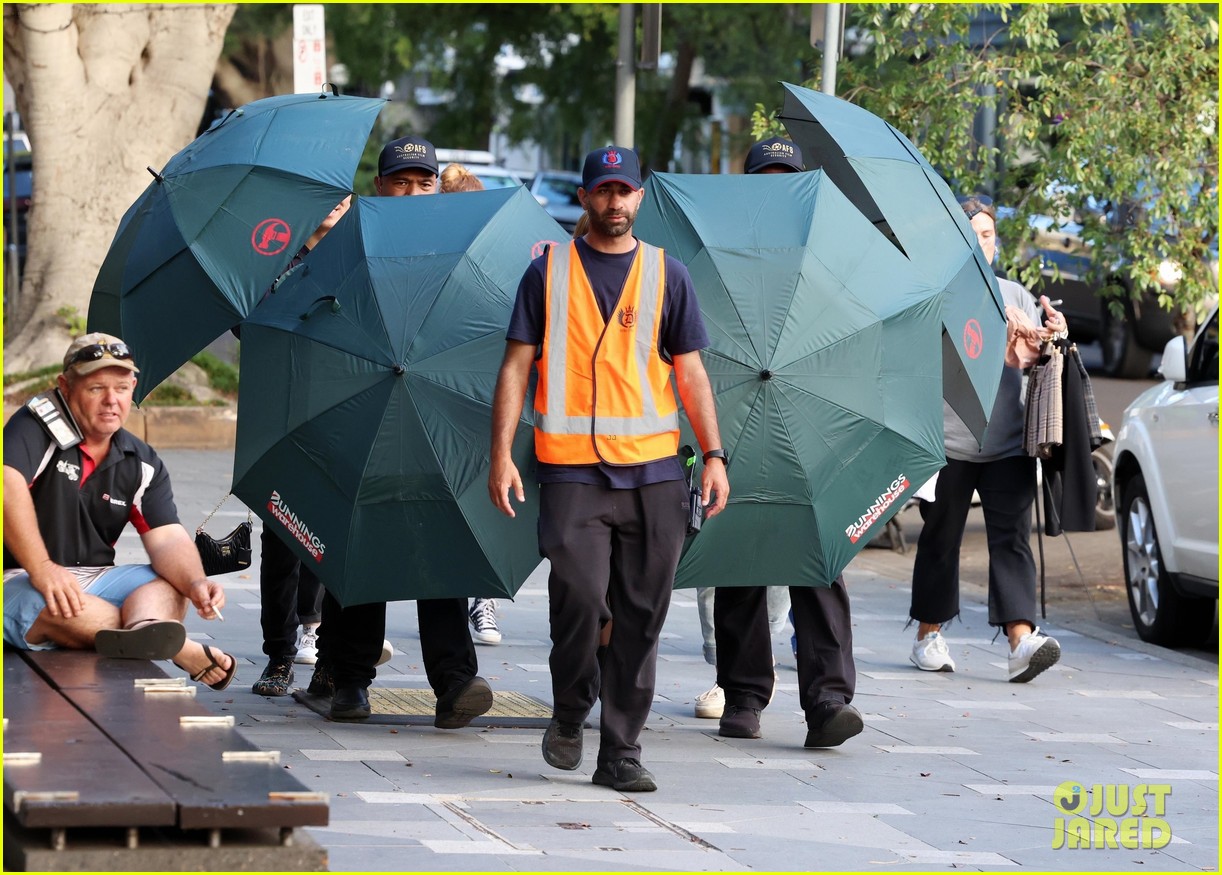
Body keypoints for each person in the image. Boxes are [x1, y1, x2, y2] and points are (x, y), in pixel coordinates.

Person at [489, 145, 730, 793]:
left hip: (653, 475)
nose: (614, 202)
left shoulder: (667, 275)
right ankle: (572, 705)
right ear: (586, 197)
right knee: (578, 600)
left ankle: (620, 748)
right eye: (603, 191)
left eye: (625, 191)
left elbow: (692, 373)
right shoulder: (547, 274)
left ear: (639, 197)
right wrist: (500, 455)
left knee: (641, 614)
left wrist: (714, 454)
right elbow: (515, 366)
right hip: (571, 472)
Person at [307, 135, 494, 728]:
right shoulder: (350, 243)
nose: (412, 194)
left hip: (440, 415)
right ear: (379, 188)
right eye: (400, 183)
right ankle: (350, 679)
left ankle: (455, 683)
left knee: (442, 544)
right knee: (361, 538)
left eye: (423, 182)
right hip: (364, 408)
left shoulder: (465, 248)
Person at [695, 137, 863, 748]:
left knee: (820, 552)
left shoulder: (829, 255)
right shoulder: (720, 252)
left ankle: (828, 699)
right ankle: (743, 694)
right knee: (739, 546)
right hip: (736, 412)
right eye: (764, 178)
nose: (776, 188)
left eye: (785, 178)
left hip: (810, 420)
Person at [3, 333, 235, 689]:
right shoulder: (36, 424)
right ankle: (171, 645)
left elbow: (168, 539)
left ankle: (141, 631)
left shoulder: (140, 460)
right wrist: (43, 568)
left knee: (173, 588)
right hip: (19, 578)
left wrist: (195, 582)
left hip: (91, 582)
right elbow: (7, 485)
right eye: (96, 388)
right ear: (65, 386)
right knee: (44, 601)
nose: (111, 400)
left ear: (134, 389)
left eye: (122, 388)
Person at [908, 193, 1066, 683]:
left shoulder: (1015, 294)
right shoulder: (935, 295)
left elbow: (1035, 356)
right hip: (949, 444)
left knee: (1012, 539)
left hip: (1006, 443)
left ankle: (1022, 641)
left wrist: (1051, 335)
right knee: (941, 540)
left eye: (988, 235)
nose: (982, 244)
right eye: (972, 235)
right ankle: (928, 635)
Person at [252, 196, 376, 696]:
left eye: (345, 195)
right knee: (281, 541)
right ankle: (278, 655)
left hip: (346, 415)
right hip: (283, 415)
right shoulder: (277, 263)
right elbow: (249, 329)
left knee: (335, 537)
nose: (336, 203)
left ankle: (326, 653)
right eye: (327, 194)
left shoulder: (361, 262)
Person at [435, 164, 504, 646]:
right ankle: (470, 601)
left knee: (479, 502)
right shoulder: (430, 253)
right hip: (440, 397)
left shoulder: (493, 260)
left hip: (479, 399)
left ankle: (483, 602)